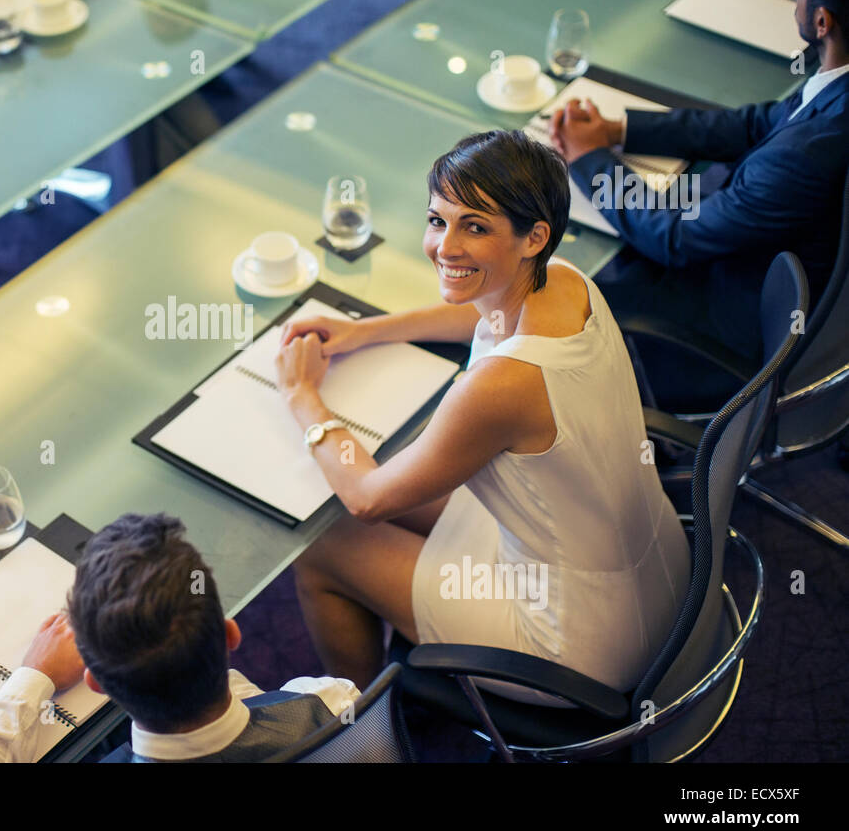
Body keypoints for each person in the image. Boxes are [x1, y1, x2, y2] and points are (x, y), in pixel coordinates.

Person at [277, 131, 689, 704]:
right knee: (391, 472)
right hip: (653, 567)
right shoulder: (565, 280)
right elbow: (482, 311)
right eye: (437, 220)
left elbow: (368, 499)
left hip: (576, 644)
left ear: (532, 237)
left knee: (326, 542)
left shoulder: (499, 387)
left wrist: (303, 396)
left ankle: (362, 727)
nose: (445, 246)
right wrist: (365, 330)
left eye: (475, 227)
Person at [549, 0, 849, 404]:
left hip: (728, 324)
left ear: (821, 21)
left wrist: (590, 160)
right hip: (778, 274)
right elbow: (756, 124)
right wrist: (620, 129)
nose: (792, 1)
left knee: (560, 288)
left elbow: (676, 237)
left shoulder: (808, 152)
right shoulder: (836, 90)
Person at [0, 512, 361, 763]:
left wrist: (34, 675)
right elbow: (245, 697)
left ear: (96, 681)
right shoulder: (334, 703)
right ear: (231, 634)